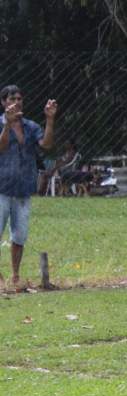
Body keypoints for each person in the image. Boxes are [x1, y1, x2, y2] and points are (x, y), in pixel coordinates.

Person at [0, 85, 57, 292]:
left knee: (19, 235)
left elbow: (47, 144)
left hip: (23, 189)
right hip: (2, 188)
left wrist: (50, 119)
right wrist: (7, 124)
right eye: (12, 98)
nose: (17, 102)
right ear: (3, 102)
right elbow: (1, 147)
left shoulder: (30, 126)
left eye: (20, 98)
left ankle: (15, 276)